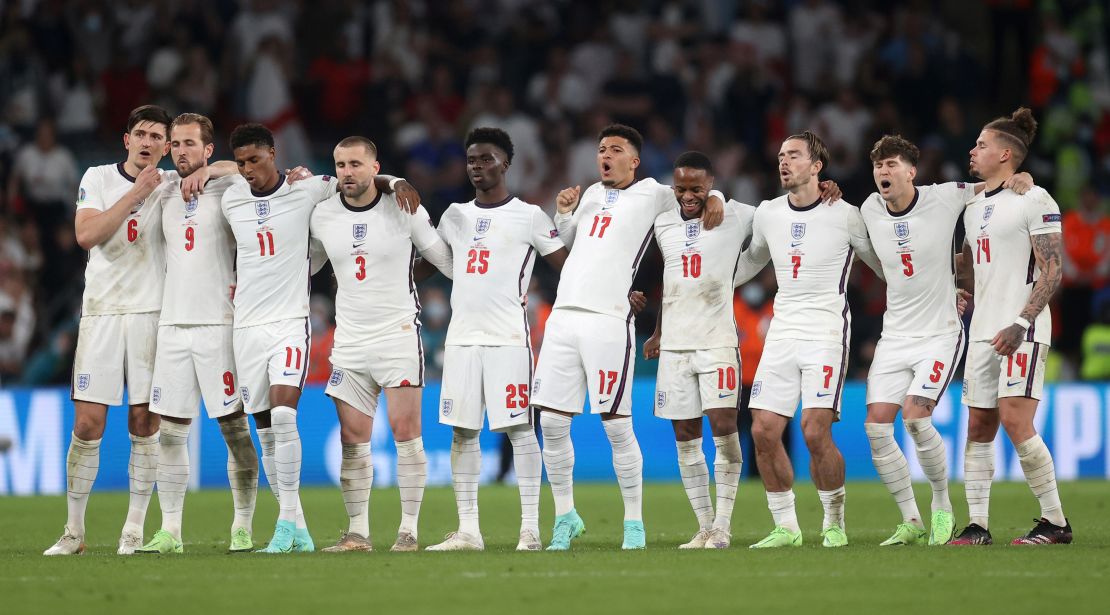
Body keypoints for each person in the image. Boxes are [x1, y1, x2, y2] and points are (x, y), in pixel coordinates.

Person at [534, 123, 725, 551]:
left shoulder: (653, 193)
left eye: (615, 149)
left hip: (609, 320)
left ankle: (633, 524)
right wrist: (563, 212)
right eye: (602, 148)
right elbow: (564, 246)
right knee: (551, 421)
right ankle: (565, 516)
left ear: (633, 161)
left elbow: (691, 191)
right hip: (564, 316)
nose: (605, 155)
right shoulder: (589, 197)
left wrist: (715, 197)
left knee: (617, 426)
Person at [860, 134, 1031, 546]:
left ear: (911, 172)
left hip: (939, 333)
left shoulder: (945, 197)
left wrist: (1019, 176)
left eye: (891, 164)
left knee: (916, 419)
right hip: (894, 335)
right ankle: (911, 521)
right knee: (877, 429)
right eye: (878, 166)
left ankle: (942, 508)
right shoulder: (867, 208)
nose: (883, 172)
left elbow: (991, 185)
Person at [733, 131, 883, 549]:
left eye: (794, 155)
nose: (784, 161)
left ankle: (834, 521)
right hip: (782, 331)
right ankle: (787, 527)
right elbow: (751, 260)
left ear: (817, 166)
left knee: (815, 432)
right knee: (763, 430)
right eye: (780, 155)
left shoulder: (846, 214)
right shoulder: (767, 213)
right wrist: (706, 281)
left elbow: (880, 262)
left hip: (826, 331)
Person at [45, 105, 178, 556]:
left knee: (144, 422)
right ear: (126, 140)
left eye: (156, 136)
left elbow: (223, 167)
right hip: (101, 313)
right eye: (139, 133)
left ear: (166, 146)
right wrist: (136, 194)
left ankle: (133, 529)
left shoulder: (175, 185)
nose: (146, 142)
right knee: (87, 423)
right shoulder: (98, 177)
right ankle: (74, 531)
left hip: (151, 315)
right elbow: (87, 235)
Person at [427, 127, 568, 552]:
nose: (477, 166)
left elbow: (569, 266)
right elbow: (434, 266)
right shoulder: (454, 215)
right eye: (471, 159)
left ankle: (530, 528)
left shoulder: (529, 216)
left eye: (486, 159)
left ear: (506, 163)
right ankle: (469, 530)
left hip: (508, 338)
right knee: (462, 433)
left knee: (520, 430)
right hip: (461, 339)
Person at [311, 136, 448, 553]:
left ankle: (408, 531)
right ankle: (358, 533)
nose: (347, 172)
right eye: (340, 165)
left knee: (407, 435)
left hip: (398, 335)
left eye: (355, 164)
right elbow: (306, 264)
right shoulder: (321, 215)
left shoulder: (404, 207)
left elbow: (445, 261)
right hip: (349, 340)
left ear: (375, 168)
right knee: (353, 443)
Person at [134, 113, 259, 554]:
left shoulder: (228, 185)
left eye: (192, 144)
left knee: (235, 431)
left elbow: (244, 168)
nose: (182, 151)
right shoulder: (164, 187)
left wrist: (213, 169)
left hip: (218, 327)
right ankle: (171, 531)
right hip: (172, 326)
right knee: (170, 432)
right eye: (177, 143)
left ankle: (242, 524)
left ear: (208, 149)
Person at [953, 108, 1071, 546]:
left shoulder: (1034, 198)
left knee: (1015, 419)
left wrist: (1023, 321)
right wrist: (957, 286)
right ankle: (978, 526)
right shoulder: (970, 203)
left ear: (1006, 153)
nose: (973, 150)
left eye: (981, 145)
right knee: (979, 426)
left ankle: (1055, 522)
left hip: (1023, 326)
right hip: (982, 327)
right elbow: (973, 267)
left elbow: (1053, 268)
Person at [220, 123, 337, 554]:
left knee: (285, 415)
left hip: (290, 320)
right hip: (246, 326)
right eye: (242, 163)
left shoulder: (306, 189)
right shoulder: (231, 196)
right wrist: (211, 171)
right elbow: (207, 173)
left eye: (256, 159)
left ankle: (284, 524)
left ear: (274, 153)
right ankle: (299, 528)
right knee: (265, 427)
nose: (249, 170)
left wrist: (394, 180)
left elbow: (352, 180)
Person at [642, 152, 753, 549]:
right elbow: (672, 283)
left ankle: (723, 525)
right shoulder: (663, 221)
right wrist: (657, 331)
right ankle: (704, 526)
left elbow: (780, 215)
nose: (688, 195)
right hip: (674, 347)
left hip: (717, 343)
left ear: (710, 185)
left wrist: (720, 196)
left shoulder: (735, 214)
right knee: (685, 435)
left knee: (724, 428)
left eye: (697, 188)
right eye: (681, 188)